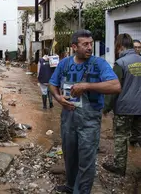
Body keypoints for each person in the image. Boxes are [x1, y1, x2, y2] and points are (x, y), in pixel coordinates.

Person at [49, 29, 121, 193]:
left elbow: (116, 86)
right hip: (68, 119)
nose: (89, 47)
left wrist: (87, 86)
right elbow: (52, 84)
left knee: (86, 160)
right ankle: (70, 185)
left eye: (91, 44)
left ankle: (80, 191)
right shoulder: (64, 64)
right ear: (74, 46)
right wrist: (58, 98)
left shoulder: (99, 64)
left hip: (89, 121)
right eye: (85, 44)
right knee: (70, 156)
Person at [102, 34, 141, 176]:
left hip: (125, 108)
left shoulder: (121, 63)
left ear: (120, 46)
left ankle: (119, 167)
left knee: (121, 137)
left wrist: (106, 107)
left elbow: (113, 88)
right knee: (139, 135)